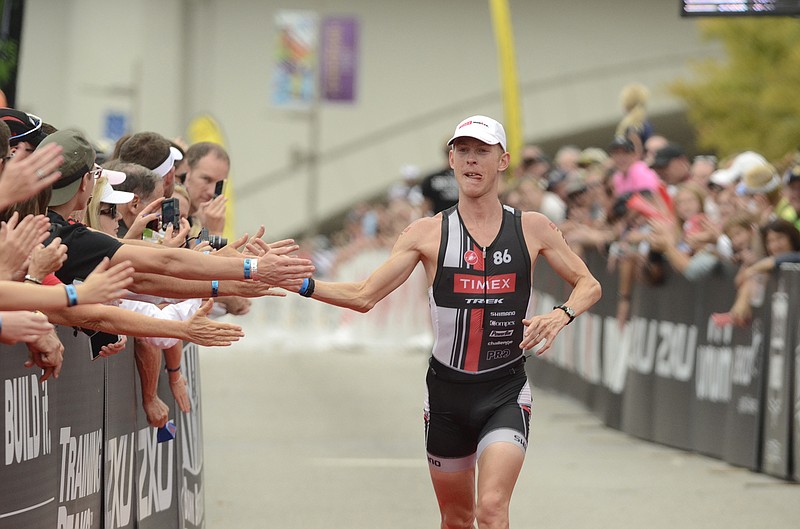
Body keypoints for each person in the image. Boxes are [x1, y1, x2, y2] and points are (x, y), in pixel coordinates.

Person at [293, 115, 602, 529]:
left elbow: (589, 283)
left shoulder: (531, 228)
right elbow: (364, 296)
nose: (472, 162)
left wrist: (561, 314)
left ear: (503, 160)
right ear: (451, 161)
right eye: (464, 152)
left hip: (505, 391)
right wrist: (303, 284)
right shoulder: (426, 233)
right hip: (446, 395)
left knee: (491, 510)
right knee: (456, 518)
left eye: (483, 152)